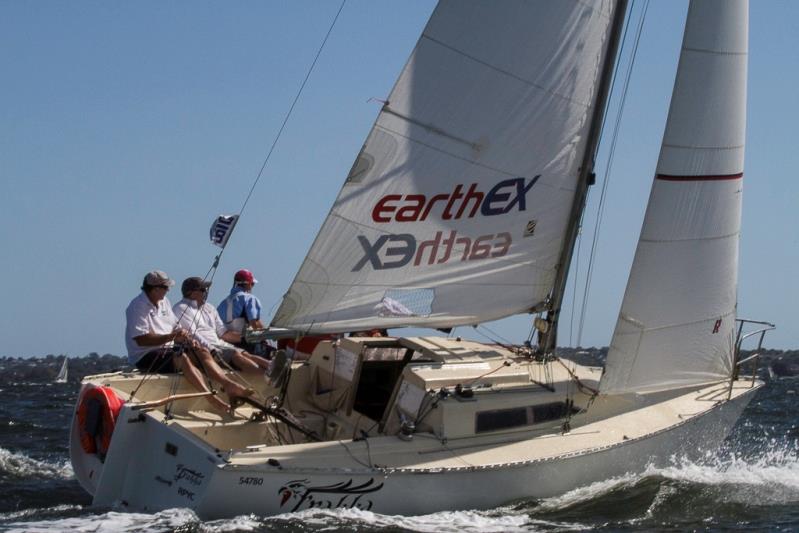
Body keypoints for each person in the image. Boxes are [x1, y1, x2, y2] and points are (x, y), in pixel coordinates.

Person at [125, 270, 253, 413]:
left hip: (167, 349)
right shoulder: (137, 307)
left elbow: (175, 325)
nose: (168, 291)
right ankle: (211, 399)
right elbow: (141, 340)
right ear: (155, 289)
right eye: (166, 288)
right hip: (145, 354)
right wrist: (172, 337)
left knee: (203, 352)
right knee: (182, 357)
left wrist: (187, 338)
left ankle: (229, 385)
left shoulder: (164, 302)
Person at [173, 277, 287, 381]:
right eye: (203, 290)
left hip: (219, 343)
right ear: (191, 293)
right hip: (206, 349)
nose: (206, 292)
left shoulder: (209, 308)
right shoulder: (181, 308)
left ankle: (272, 367)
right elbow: (193, 334)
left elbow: (223, 333)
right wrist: (211, 349)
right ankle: (266, 377)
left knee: (245, 353)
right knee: (235, 354)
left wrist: (246, 338)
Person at [217, 269, 268, 353]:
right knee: (273, 352)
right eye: (252, 284)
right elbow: (255, 323)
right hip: (245, 345)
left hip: (224, 346)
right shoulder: (249, 298)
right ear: (248, 284)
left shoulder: (222, 303)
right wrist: (268, 336)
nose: (252, 286)